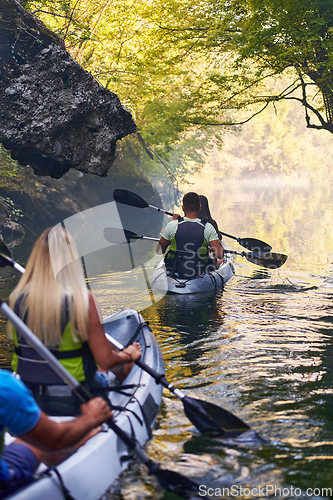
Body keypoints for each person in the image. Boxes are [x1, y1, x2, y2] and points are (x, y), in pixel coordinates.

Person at [7, 226, 142, 416]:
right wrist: (129, 354)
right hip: (76, 398)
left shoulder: (17, 298)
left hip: (27, 397)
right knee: (113, 365)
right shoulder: (83, 300)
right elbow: (106, 360)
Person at [0, 368, 112, 497]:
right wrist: (92, 417)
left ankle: (59, 451)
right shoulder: (4, 386)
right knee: (43, 443)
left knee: (29, 442)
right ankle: (64, 449)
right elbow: (55, 440)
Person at [156, 192, 224, 278]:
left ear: (183, 208)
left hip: (174, 269)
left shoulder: (172, 225)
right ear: (200, 207)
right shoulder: (208, 227)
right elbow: (220, 254)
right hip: (199, 270)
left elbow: (159, 251)